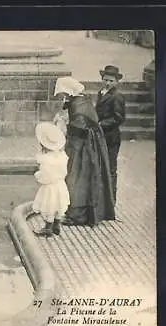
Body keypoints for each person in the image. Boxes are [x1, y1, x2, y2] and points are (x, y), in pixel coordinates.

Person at [53, 77, 115, 227]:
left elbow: (78, 128)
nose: (63, 98)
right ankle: (76, 212)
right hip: (85, 144)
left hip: (83, 147)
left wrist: (63, 126)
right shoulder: (81, 100)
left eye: (64, 95)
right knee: (79, 177)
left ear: (69, 92)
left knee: (78, 177)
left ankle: (77, 215)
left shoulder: (78, 106)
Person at [32, 122, 70, 236]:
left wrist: (37, 175)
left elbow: (45, 176)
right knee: (58, 205)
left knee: (49, 206)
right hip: (61, 185)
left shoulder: (46, 160)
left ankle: (48, 227)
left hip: (50, 187)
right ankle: (57, 224)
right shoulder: (62, 156)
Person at [95, 65, 126, 203]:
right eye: (106, 80)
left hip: (111, 137)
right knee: (101, 166)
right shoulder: (100, 93)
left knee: (111, 169)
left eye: (111, 81)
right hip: (101, 136)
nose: (108, 83)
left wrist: (101, 124)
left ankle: (111, 201)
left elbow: (119, 118)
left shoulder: (117, 96)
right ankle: (103, 198)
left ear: (116, 82)